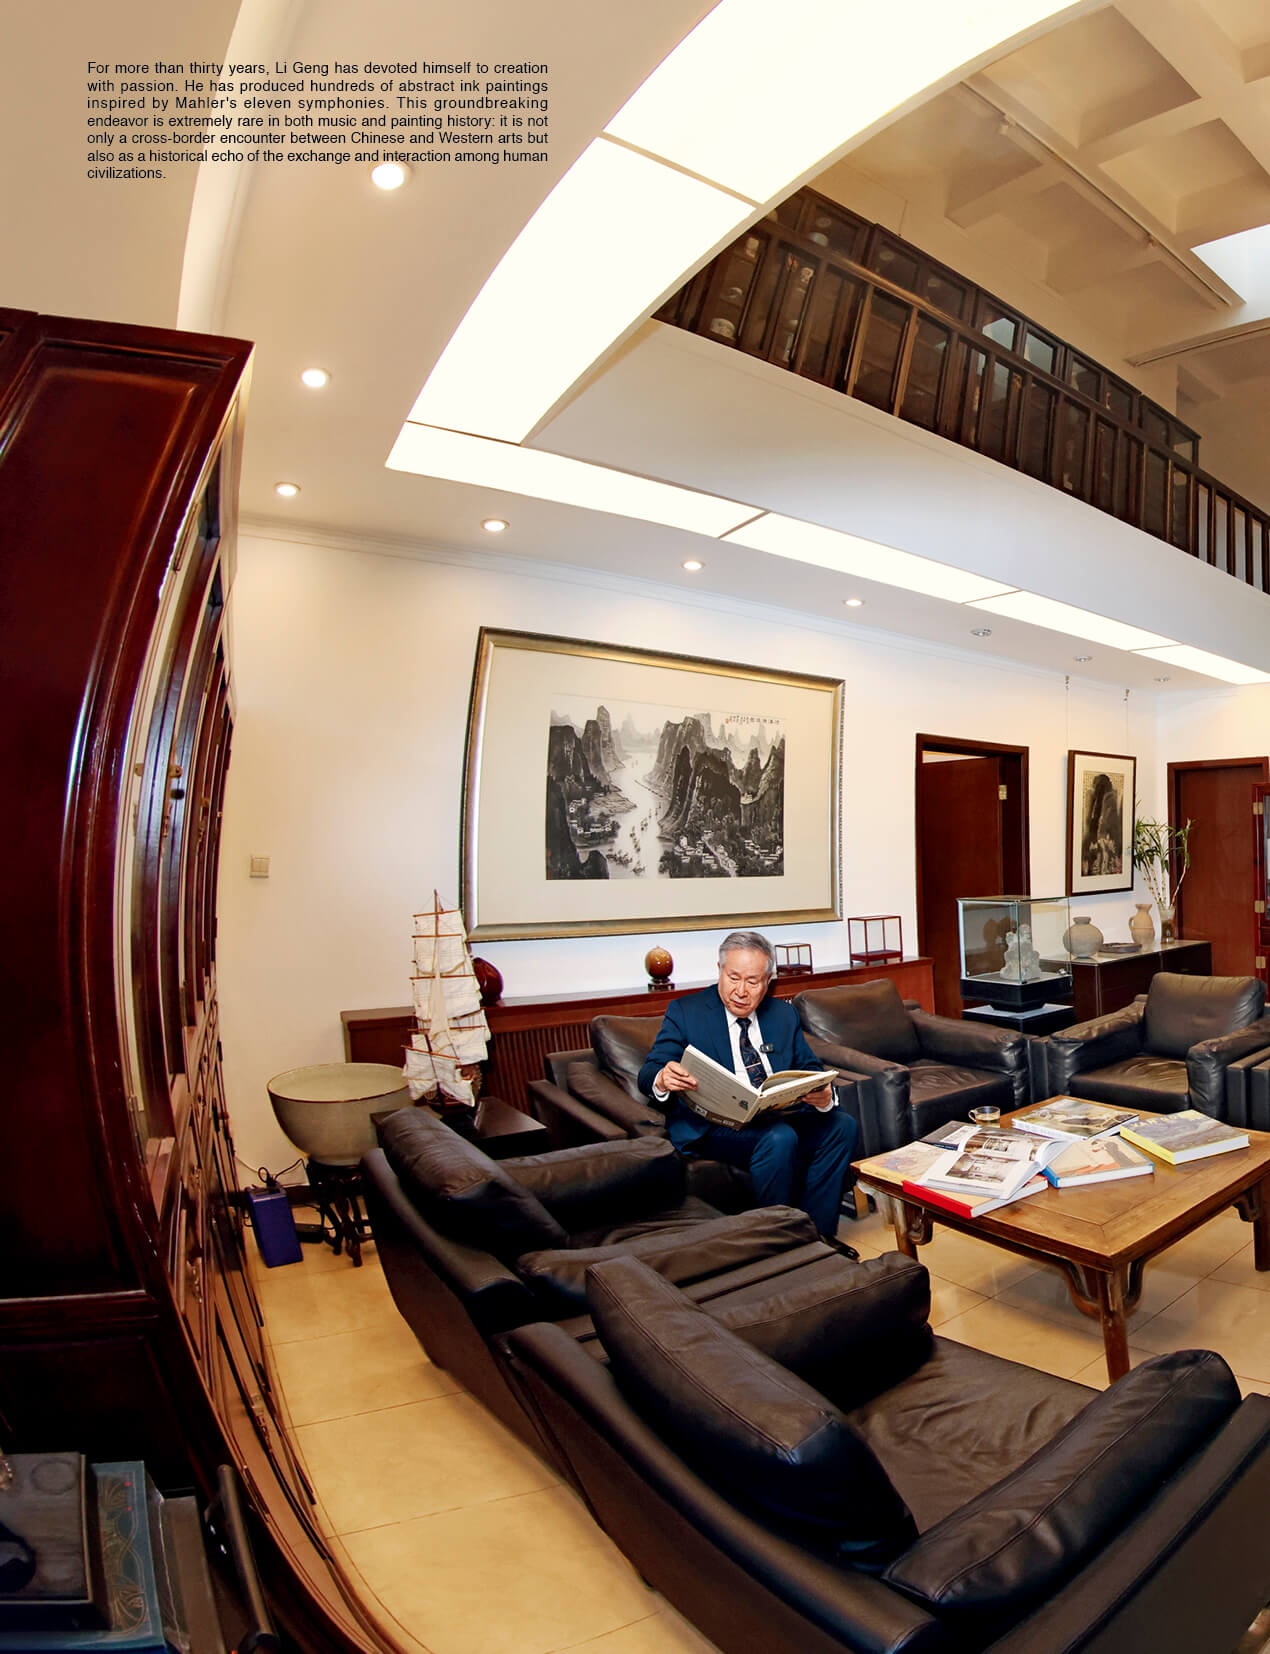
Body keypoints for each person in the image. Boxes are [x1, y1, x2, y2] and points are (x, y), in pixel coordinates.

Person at [637, 929, 859, 1246]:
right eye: (733, 978)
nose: (741, 991)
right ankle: (776, 1242)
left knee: (842, 1125)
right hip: (714, 1125)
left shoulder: (782, 1015)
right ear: (719, 970)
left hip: (774, 1115)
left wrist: (823, 1096)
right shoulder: (686, 1012)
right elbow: (649, 1070)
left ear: (767, 982)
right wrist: (662, 1078)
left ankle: (817, 1236)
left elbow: (809, 1067)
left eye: (752, 982)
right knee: (779, 1137)